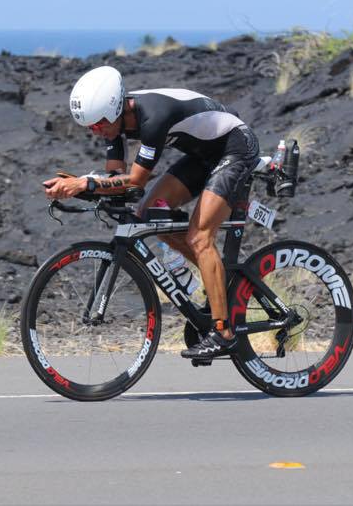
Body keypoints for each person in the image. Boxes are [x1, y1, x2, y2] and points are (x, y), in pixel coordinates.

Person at [43, 65, 260, 359]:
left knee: (199, 237)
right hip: (203, 155)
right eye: (91, 128)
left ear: (117, 108)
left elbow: (135, 181)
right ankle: (216, 280)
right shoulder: (113, 124)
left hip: (235, 147)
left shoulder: (154, 116)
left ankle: (223, 332)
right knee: (148, 212)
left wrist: (85, 182)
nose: (98, 132)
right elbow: (117, 185)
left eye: (100, 125)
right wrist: (79, 188)